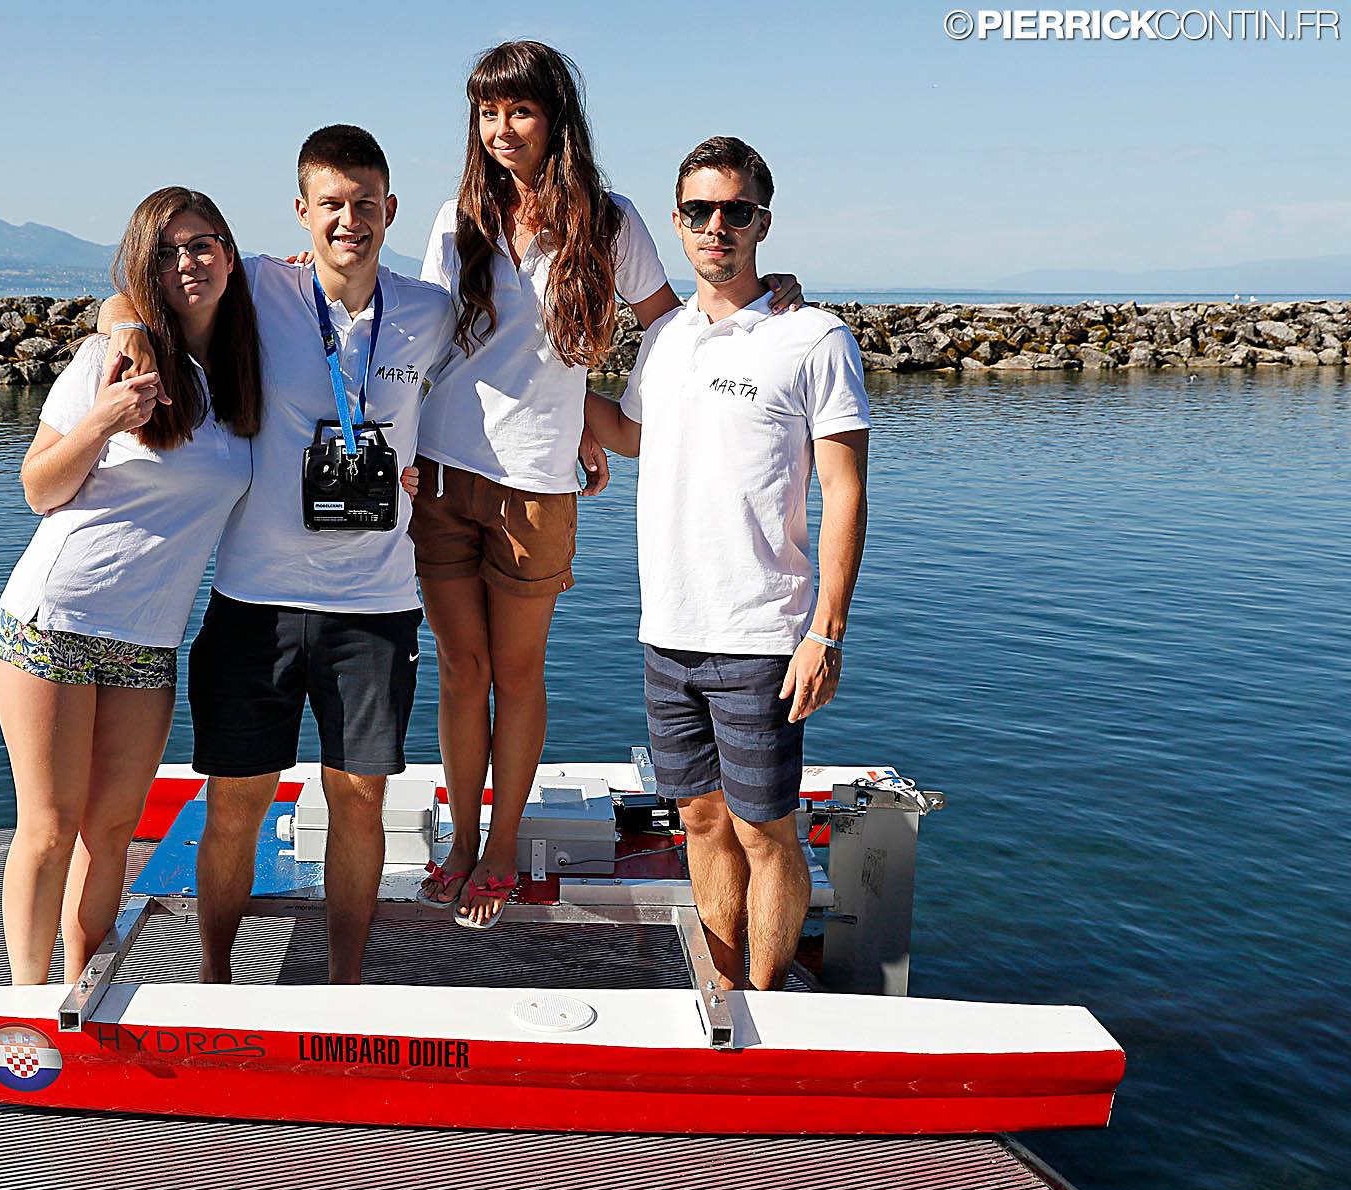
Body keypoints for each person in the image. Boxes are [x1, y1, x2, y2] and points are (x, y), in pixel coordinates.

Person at [412, 40, 802, 928]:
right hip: (439, 473)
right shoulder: (455, 219)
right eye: (487, 113)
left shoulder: (609, 220)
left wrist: (607, 417)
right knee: (459, 672)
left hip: (536, 483)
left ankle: (503, 841)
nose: (502, 129)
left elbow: (669, 323)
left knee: (516, 671)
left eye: (519, 110)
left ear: (554, 118)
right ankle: (463, 840)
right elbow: (419, 335)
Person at [102, 126, 455, 983]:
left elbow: (515, 371)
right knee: (234, 806)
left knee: (360, 801)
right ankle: (216, 978)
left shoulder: (429, 310)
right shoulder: (261, 286)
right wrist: (133, 336)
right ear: (302, 212)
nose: (349, 221)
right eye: (330, 204)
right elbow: (136, 292)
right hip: (253, 604)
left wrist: (585, 437)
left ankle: (343, 982)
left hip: (375, 607)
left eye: (365, 204)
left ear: (390, 210)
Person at [584, 136, 870, 991]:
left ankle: (766, 998)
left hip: (761, 633)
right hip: (667, 628)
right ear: (676, 223)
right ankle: (722, 983)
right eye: (700, 212)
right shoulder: (664, 337)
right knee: (701, 820)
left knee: (765, 828)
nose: (717, 227)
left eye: (735, 211)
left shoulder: (812, 336)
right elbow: (636, 436)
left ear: (763, 222)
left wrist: (827, 631)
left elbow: (844, 489)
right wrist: (553, 388)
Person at [0, 186, 262, 985]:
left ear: (229, 254)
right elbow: (39, 487)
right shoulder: (106, 361)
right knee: (48, 825)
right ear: (147, 266)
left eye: (205, 243)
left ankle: (81, 989)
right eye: (172, 250)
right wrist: (101, 421)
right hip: (56, 618)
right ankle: (26, 1003)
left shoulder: (242, 375)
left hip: (149, 638)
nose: (192, 262)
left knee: (111, 830)